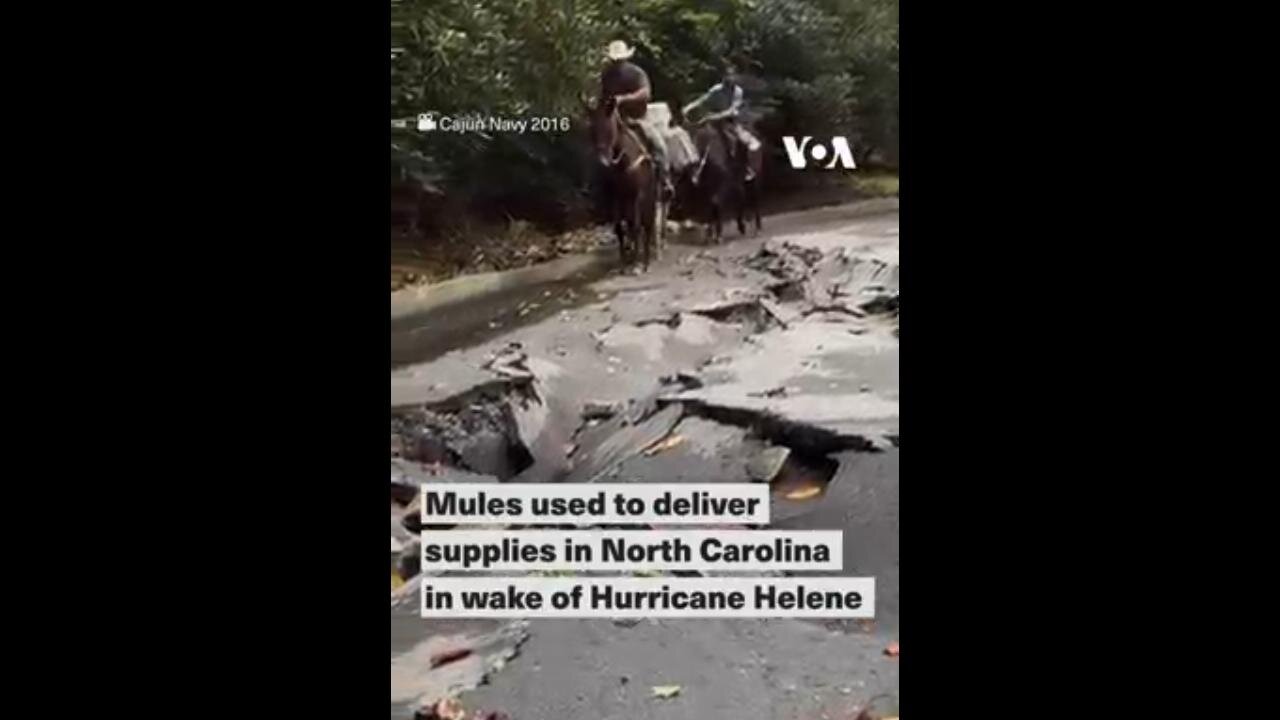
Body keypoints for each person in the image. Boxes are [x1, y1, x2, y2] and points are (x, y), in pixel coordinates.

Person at [599, 40, 674, 198]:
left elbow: (645, 93)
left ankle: (665, 180)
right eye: (614, 60)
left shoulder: (636, 73)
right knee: (597, 140)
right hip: (613, 117)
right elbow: (603, 96)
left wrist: (624, 99)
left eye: (619, 60)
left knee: (658, 144)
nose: (617, 63)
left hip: (637, 117)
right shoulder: (607, 75)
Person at [682, 63, 762, 180]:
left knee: (745, 143)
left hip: (731, 123)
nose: (729, 77)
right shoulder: (716, 90)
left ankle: (746, 169)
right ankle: (694, 167)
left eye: (732, 74)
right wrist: (688, 108)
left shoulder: (737, 91)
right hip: (714, 123)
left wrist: (713, 117)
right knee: (697, 138)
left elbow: (731, 110)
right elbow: (702, 100)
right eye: (727, 74)